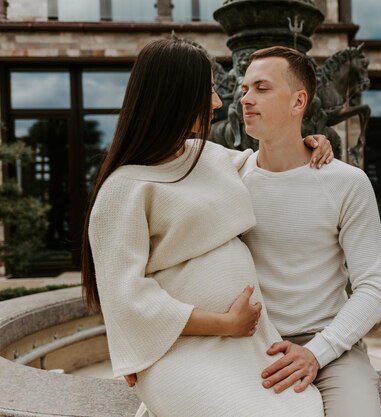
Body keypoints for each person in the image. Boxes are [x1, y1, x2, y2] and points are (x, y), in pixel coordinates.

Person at [82, 37, 331, 417]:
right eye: (209, 91)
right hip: (181, 349)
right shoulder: (124, 189)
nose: (217, 103)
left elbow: (267, 161)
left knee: (302, 410)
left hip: (247, 344)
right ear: (175, 96)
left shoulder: (209, 156)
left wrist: (311, 141)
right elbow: (125, 297)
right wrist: (224, 324)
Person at [238, 46, 381, 417]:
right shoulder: (230, 176)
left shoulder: (347, 183)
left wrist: (316, 352)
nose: (246, 99)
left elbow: (373, 287)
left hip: (333, 348)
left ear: (298, 101)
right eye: (243, 89)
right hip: (248, 344)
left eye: (261, 88)